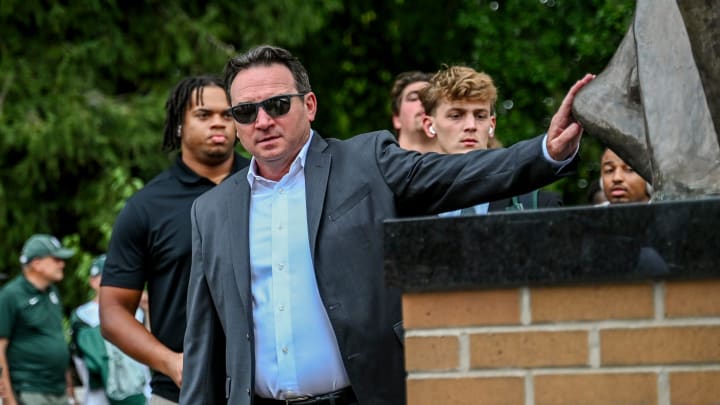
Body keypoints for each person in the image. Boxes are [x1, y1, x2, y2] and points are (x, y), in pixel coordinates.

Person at [180, 45, 594, 404]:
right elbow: (203, 342)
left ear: (309, 106)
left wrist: (544, 152)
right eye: (246, 111)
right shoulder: (212, 210)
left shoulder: (366, 163)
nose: (263, 120)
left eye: (277, 104)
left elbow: (456, 175)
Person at [98, 75, 250, 405]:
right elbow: (112, 312)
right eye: (204, 115)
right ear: (179, 125)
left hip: (266, 390)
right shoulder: (147, 207)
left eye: (228, 115)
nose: (219, 124)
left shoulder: (268, 187)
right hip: (179, 394)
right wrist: (172, 363)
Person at [419, 65, 562, 214]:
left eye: (480, 116)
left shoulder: (538, 204)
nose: (471, 126)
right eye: (456, 115)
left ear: (491, 125)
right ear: (429, 125)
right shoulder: (405, 207)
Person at [0, 234, 77, 405]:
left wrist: (70, 390)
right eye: (56, 259)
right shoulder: (10, 296)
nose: (62, 264)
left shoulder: (53, 293)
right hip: (29, 390)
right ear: (36, 263)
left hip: (58, 390)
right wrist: (10, 400)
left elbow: (57, 339)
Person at [71, 255, 149, 405]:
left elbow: (151, 346)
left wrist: (147, 308)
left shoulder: (137, 309)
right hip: (102, 397)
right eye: (107, 276)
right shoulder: (82, 316)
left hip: (141, 390)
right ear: (93, 281)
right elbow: (93, 363)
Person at [390, 71, 439, 153]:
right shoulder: (374, 163)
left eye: (430, 97)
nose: (424, 101)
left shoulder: (461, 162)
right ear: (397, 119)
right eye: (413, 98)